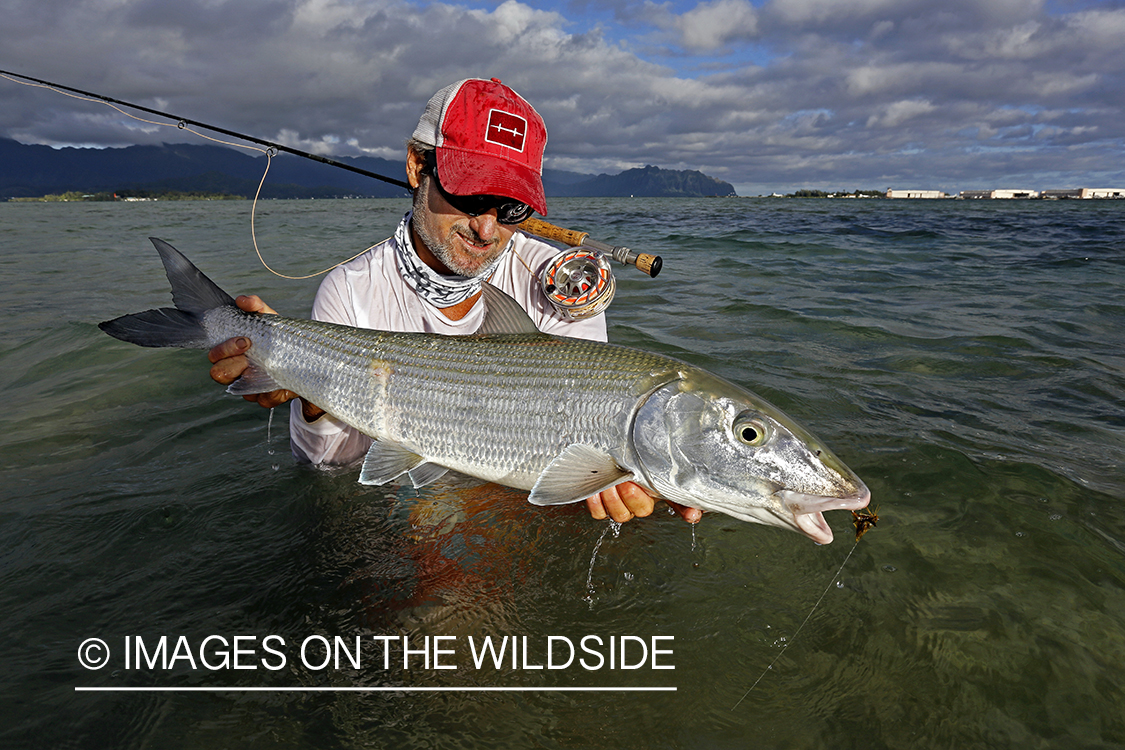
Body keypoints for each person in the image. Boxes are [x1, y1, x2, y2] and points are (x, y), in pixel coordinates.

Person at [208, 78, 701, 525]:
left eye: (510, 207)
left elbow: (583, 451)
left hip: (523, 496)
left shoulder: (562, 284)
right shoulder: (352, 288)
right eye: (469, 196)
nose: (487, 230)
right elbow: (328, 466)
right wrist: (303, 381)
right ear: (416, 166)